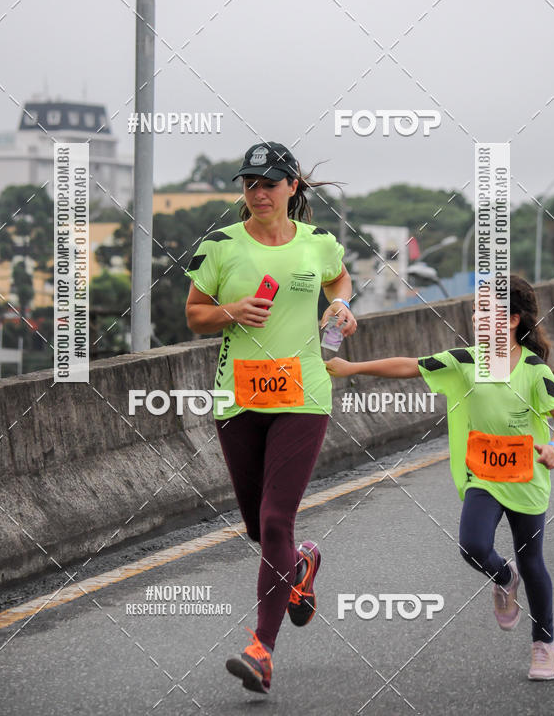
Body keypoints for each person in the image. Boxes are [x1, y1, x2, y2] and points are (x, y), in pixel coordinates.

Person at [326, 275, 554, 681]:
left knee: (532, 562)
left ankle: (544, 644)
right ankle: (502, 575)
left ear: (512, 320)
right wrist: (351, 366)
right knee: (473, 545)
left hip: (526, 478)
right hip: (483, 476)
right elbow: (410, 365)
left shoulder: (534, 370)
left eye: (487, 311)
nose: (477, 317)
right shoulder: (465, 361)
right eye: (475, 311)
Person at [185, 141, 357, 694]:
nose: (258, 193)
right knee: (262, 530)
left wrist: (342, 306)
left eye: (270, 183)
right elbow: (194, 315)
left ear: (292, 188)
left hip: (302, 396)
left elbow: (339, 280)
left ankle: (261, 649)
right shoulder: (221, 246)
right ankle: (302, 567)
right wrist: (231, 311)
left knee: (277, 519)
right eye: (250, 184)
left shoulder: (318, 244)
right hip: (237, 400)